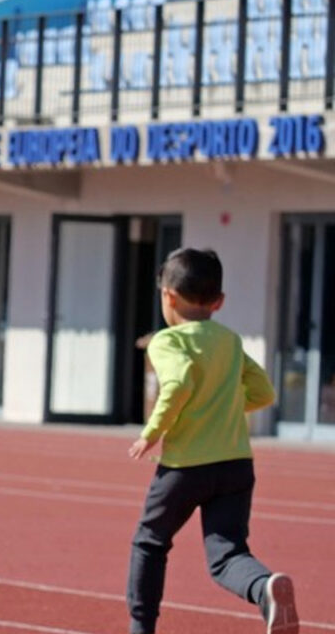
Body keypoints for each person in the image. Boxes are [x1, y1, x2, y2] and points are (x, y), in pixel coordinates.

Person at [126, 248, 298, 634]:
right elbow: (265, 392)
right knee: (227, 555)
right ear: (218, 302)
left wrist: (150, 433)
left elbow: (179, 381)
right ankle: (264, 588)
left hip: (186, 467)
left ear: (167, 296)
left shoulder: (166, 342)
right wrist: (223, 407)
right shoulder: (230, 342)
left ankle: (141, 629)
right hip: (236, 465)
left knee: (149, 543)